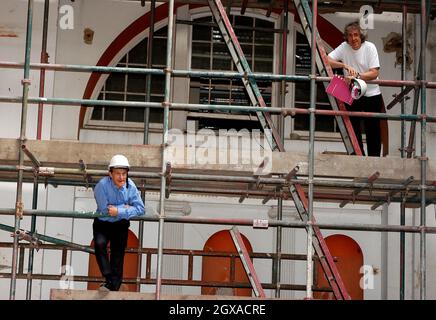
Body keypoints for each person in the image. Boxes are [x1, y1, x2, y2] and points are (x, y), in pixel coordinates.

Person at [328, 21, 383, 156]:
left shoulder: (370, 47)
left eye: (356, 35)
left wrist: (357, 76)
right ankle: (358, 158)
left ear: (361, 36)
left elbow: (375, 72)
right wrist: (343, 66)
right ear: (346, 37)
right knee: (353, 128)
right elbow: (326, 60)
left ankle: (374, 160)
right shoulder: (344, 47)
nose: (353, 39)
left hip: (372, 93)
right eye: (350, 35)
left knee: (373, 130)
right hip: (353, 93)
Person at [93, 154, 145, 291]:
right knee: (99, 245)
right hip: (102, 223)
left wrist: (119, 211)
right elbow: (105, 210)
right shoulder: (101, 186)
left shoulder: (131, 186)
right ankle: (108, 277)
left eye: (124, 174)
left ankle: (113, 286)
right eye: (117, 174)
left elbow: (140, 209)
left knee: (118, 253)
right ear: (110, 174)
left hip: (121, 224)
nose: (121, 177)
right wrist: (126, 208)